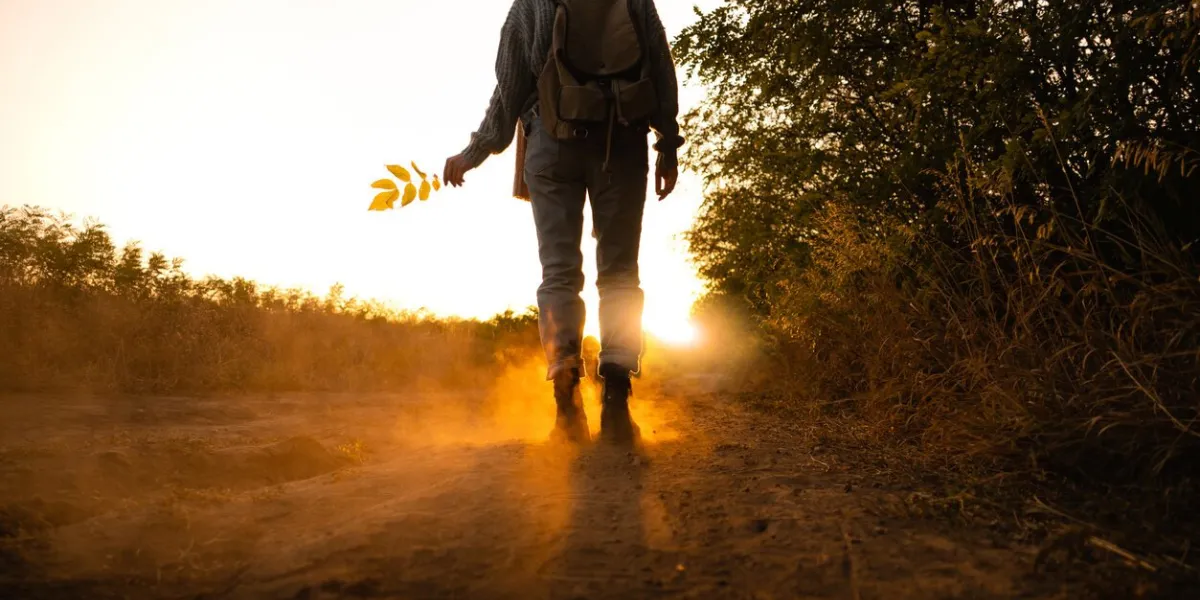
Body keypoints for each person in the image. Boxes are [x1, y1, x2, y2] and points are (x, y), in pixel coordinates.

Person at [443, 0, 683, 446]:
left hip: (552, 144)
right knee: (620, 273)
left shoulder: (530, 5)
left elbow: (509, 90)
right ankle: (616, 402)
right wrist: (667, 145)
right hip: (622, 141)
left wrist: (474, 152)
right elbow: (661, 70)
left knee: (558, 273)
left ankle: (567, 407)